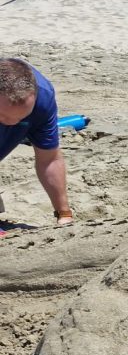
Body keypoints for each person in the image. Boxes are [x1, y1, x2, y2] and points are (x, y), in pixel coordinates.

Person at [0, 58, 73, 228]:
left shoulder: (43, 100)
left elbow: (49, 159)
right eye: (2, 116)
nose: (11, 123)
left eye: (20, 117)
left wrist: (64, 214)